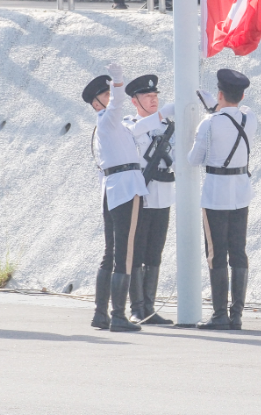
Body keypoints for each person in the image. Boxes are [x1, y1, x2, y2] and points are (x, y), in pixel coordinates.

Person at [186, 68, 257, 330]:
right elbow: (243, 110)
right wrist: (219, 107)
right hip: (240, 192)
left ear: (219, 93)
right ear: (242, 94)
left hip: (216, 194)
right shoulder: (251, 119)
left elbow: (194, 159)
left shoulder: (209, 123)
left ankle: (219, 315)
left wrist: (213, 111)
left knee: (217, 254)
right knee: (238, 252)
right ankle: (236, 315)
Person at [84, 64, 149, 332]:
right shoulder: (108, 119)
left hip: (113, 187)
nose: (111, 98)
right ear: (96, 102)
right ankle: (118, 315)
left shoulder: (112, 125)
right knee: (124, 251)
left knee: (111, 252)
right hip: (125, 186)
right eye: (106, 95)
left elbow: (146, 123)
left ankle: (101, 314)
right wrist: (119, 81)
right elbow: (119, 103)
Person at [123, 74, 175, 325]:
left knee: (155, 253)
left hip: (162, 197)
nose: (154, 100)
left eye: (156, 96)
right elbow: (135, 132)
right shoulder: (129, 124)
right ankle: (137, 307)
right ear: (135, 101)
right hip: (139, 198)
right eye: (147, 96)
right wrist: (161, 115)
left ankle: (150, 308)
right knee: (137, 252)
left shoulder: (167, 127)